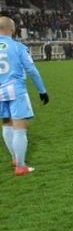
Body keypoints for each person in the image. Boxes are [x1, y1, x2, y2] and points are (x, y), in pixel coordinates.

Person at [0, 16, 50, 176]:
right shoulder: (17, 47)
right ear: (12, 29)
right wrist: (42, 90)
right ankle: (20, 166)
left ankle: (15, 158)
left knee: (6, 124)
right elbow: (32, 70)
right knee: (20, 128)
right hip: (15, 90)